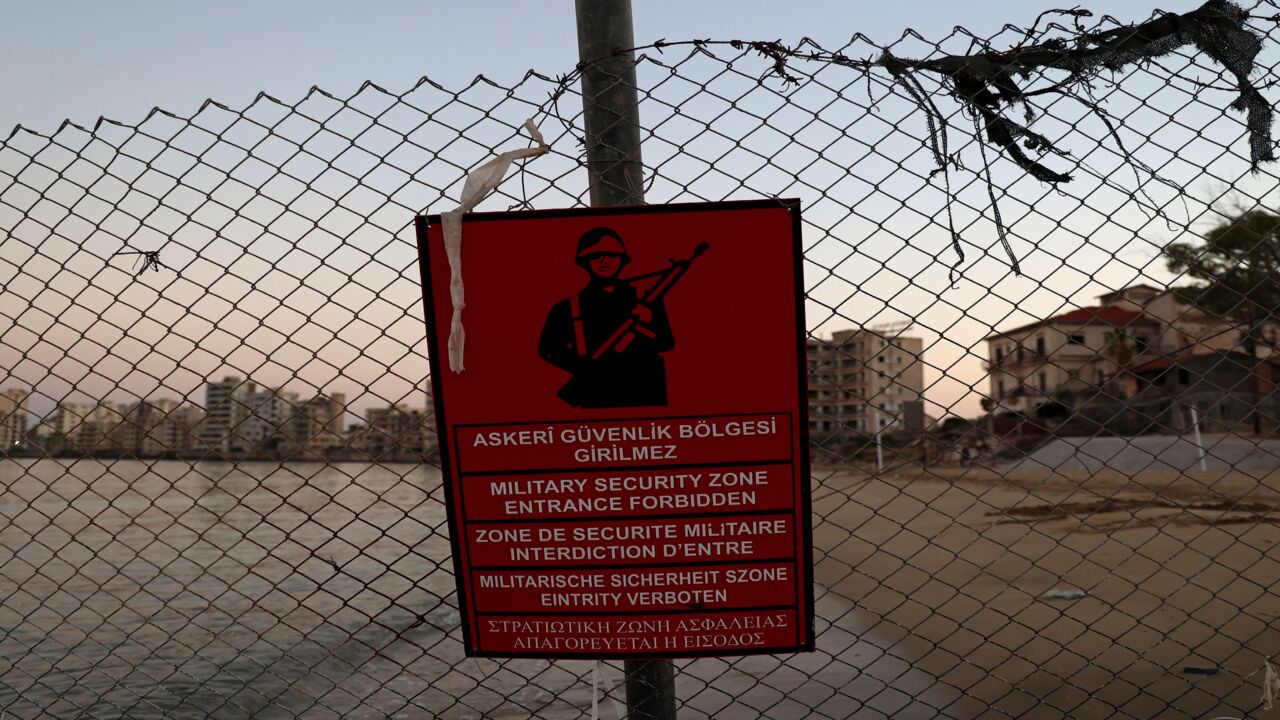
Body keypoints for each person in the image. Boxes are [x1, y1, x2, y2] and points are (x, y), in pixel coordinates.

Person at [538, 227, 674, 408]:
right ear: (584, 261)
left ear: (622, 260)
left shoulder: (646, 301)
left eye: (612, 255)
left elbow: (666, 343)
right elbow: (547, 349)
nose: (604, 260)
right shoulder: (568, 308)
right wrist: (587, 368)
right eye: (596, 256)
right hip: (599, 395)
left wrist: (648, 322)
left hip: (644, 390)